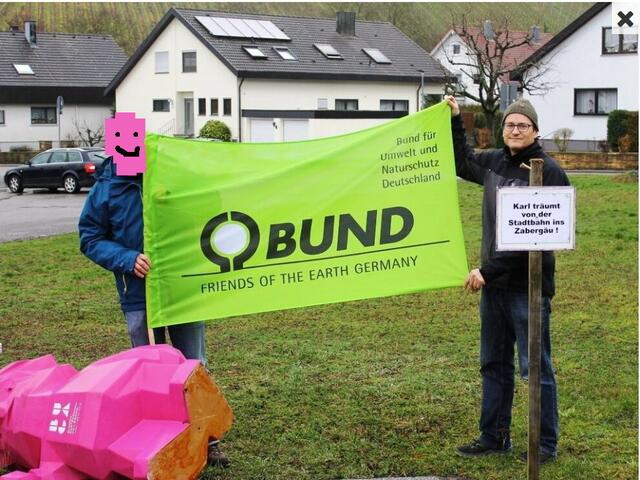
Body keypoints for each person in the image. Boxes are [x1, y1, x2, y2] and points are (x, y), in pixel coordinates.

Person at [78, 155, 229, 468]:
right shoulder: (107, 185)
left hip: (182, 290)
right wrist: (126, 258)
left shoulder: (174, 173)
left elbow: (211, 208)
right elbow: (90, 237)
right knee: (151, 371)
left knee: (194, 365)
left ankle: (207, 438)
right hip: (138, 295)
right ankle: (163, 442)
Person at [446, 96, 569, 464]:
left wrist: (487, 271)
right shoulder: (495, 162)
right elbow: (461, 161)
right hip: (494, 288)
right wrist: (456, 119)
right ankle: (494, 436)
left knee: (535, 369)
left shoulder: (548, 172)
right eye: (510, 125)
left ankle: (544, 445)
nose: (515, 130)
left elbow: (537, 238)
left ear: (535, 131)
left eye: (522, 125)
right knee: (494, 364)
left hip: (527, 289)